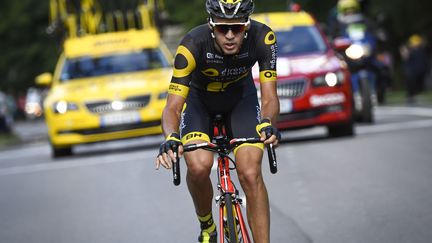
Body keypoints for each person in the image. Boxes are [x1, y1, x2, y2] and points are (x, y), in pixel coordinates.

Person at [155, 0, 281, 242]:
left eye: (238, 28)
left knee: (250, 171)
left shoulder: (264, 38)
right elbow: (172, 107)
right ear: (211, 25)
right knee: (199, 165)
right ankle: (208, 227)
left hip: (241, 101)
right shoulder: (192, 45)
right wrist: (171, 137)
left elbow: (270, 97)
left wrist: (267, 122)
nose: (231, 35)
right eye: (223, 28)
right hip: (200, 104)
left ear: (248, 25)